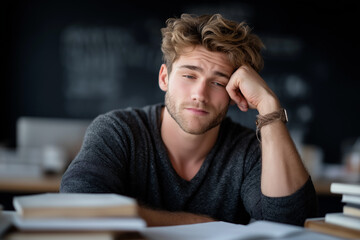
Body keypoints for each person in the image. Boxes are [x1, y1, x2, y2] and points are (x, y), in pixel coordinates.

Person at [60, 13, 317, 226]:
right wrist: (199, 224)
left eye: (218, 82)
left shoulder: (248, 151)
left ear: (235, 92)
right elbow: (78, 204)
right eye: (189, 76)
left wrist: (268, 105)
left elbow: (290, 224)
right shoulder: (118, 131)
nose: (200, 95)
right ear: (164, 78)